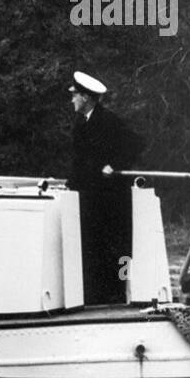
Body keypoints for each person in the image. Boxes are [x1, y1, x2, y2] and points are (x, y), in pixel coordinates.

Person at [68, 71, 144, 305]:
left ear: (86, 98)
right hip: (89, 196)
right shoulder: (82, 123)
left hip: (109, 198)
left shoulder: (108, 120)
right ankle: (93, 294)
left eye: (75, 96)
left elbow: (136, 143)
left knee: (111, 247)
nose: (72, 100)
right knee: (91, 246)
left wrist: (115, 165)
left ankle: (115, 295)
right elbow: (80, 160)